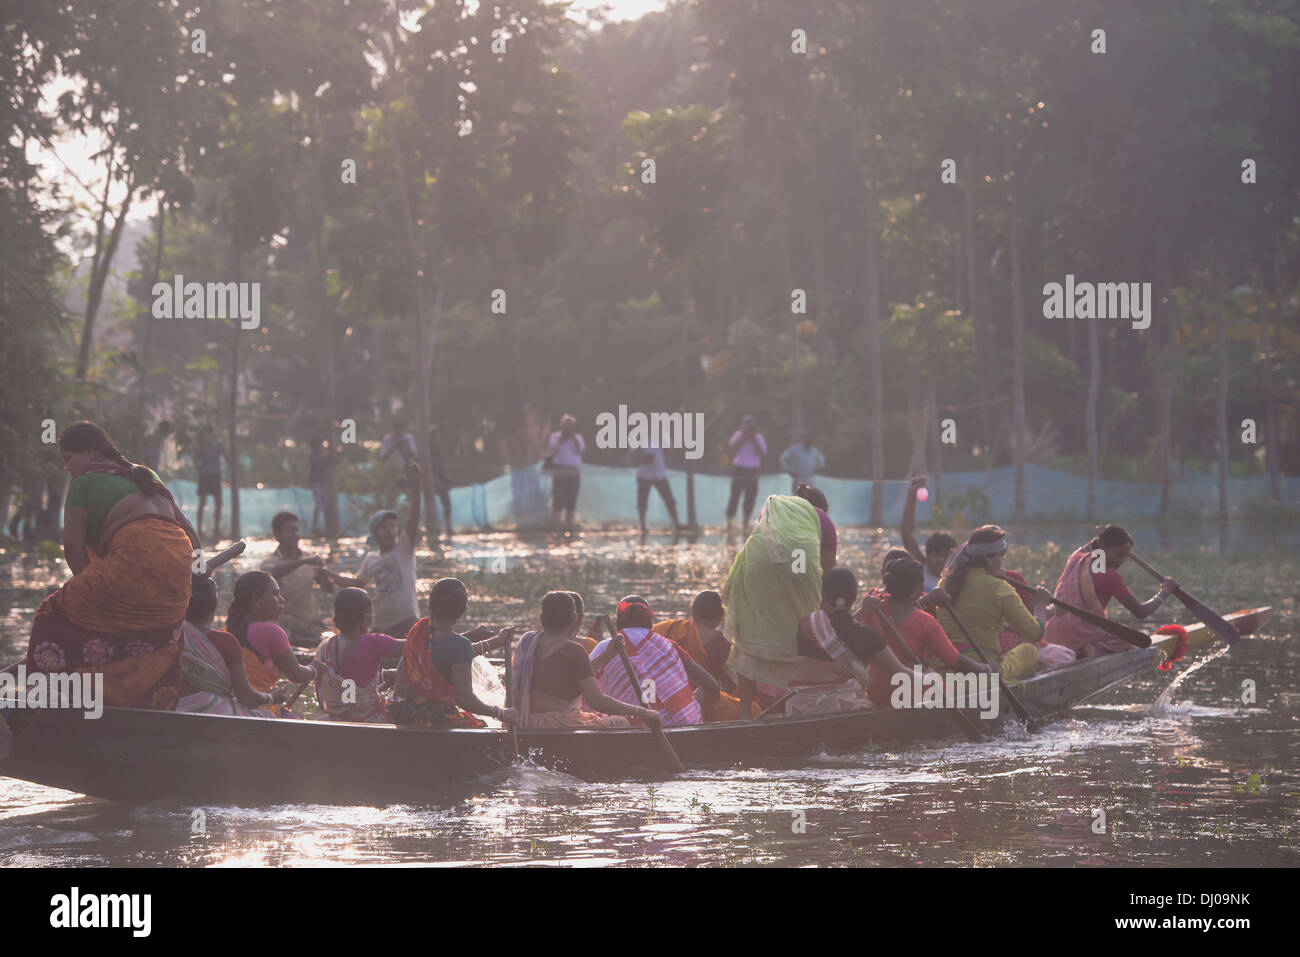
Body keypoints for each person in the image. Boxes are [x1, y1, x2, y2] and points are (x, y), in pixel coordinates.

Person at [26, 421, 200, 711]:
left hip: (134, 559)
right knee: (150, 634)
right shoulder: (147, 475)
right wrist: (196, 573)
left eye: (69, 459)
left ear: (92, 454)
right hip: (179, 570)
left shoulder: (82, 483)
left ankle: (38, 712)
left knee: (50, 614)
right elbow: (189, 531)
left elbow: (72, 548)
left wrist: (90, 591)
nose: (67, 468)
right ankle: (143, 705)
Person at [723, 493, 826, 717]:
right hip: (797, 566)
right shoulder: (816, 524)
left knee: (748, 640)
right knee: (799, 634)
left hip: (756, 567)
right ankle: (794, 706)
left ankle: (745, 713)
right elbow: (822, 578)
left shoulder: (766, 523)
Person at [508, 592, 660, 729]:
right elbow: (598, 701)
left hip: (521, 722)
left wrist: (606, 656)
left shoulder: (527, 642)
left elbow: (565, 679)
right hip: (560, 725)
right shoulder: (574, 651)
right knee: (622, 722)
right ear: (574, 619)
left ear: (541, 618)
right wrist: (642, 711)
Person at [857, 556, 992, 707]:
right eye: (922, 581)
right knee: (956, 690)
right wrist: (985, 668)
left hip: (876, 691)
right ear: (916, 590)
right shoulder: (925, 621)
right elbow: (956, 662)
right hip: (909, 693)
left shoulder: (873, 610)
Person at [932, 526, 1055, 681]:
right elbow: (1035, 633)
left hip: (942, 666)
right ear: (987, 559)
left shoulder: (944, 583)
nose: (1002, 562)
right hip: (982, 672)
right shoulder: (1000, 588)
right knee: (1029, 651)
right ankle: (1002, 675)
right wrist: (1040, 606)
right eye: (1001, 556)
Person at [390, 577, 516, 728]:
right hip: (429, 721)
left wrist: (495, 642)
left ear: (430, 606)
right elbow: (465, 700)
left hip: (401, 716)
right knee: (481, 725)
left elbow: (445, 654)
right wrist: (501, 713)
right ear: (462, 611)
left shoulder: (417, 636)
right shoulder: (459, 646)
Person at [785, 567, 910, 716]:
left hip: (798, 711)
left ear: (823, 596)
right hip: (844, 714)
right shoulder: (868, 637)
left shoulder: (805, 626)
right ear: (854, 598)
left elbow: (840, 631)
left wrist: (863, 611)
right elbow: (902, 674)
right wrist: (930, 677)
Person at [1043, 525, 1179, 657]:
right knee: (1124, 639)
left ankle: (1087, 649)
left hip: (1052, 635)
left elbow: (1088, 547)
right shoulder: (1109, 576)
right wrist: (1164, 592)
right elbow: (1141, 612)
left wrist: (1099, 538)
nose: (1122, 561)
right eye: (1119, 554)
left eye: (1125, 556)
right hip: (1080, 637)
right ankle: (1094, 649)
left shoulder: (1076, 558)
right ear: (1103, 547)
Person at [178, 576, 288, 717]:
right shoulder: (225, 641)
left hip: (176, 712)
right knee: (269, 716)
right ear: (214, 607)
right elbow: (246, 698)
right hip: (217, 717)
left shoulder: (172, 637)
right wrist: (272, 698)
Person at [589, 596, 703, 726]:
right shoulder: (669, 646)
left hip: (627, 729)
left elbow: (579, 683)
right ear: (650, 623)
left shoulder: (604, 647)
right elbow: (712, 687)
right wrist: (681, 705)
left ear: (618, 623)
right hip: (676, 725)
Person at [343, 462, 422, 639]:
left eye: (393, 527)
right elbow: (356, 585)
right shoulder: (372, 559)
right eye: (384, 528)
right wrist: (330, 576)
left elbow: (414, 516)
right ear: (375, 534)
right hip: (381, 624)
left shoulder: (404, 548)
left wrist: (417, 484)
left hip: (408, 620)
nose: (390, 531)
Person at [654, 590, 755, 721]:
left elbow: (644, 640)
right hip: (704, 704)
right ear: (720, 617)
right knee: (754, 708)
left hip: (664, 698)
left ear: (692, 612)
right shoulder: (721, 640)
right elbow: (729, 685)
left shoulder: (669, 627)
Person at [312, 588, 403, 723]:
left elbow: (349, 686)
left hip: (336, 718)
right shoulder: (373, 643)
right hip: (370, 719)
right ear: (366, 615)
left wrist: (385, 675)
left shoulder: (326, 646)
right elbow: (413, 645)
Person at [225, 571, 321, 696]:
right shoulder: (272, 633)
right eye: (275, 594)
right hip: (259, 708)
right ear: (256, 599)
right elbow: (297, 675)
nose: (282, 600)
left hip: (233, 705)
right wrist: (314, 669)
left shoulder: (229, 630)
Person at [260, 511, 338, 645]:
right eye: (289, 531)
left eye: (296, 530)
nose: (295, 535)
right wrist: (303, 562)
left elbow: (330, 589)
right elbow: (270, 574)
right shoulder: (270, 562)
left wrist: (325, 574)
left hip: (312, 624)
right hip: (285, 626)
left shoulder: (309, 559)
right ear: (277, 535)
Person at [900, 475, 956, 592]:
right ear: (927, 556)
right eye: (936, 555)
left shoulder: (957, 577)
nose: (941, 560)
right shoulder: (920, 569)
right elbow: (907, 532)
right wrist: (912, 493)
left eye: (945, 556)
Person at [725, 415, 767, 535]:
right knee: (734, 497)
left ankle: (745, 523)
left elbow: (762, 452)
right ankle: (729, 523)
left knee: (750, 498)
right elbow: (733, 447)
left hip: (752, 471)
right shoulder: (738, 435)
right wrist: (744, 436)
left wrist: (752, 438)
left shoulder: (758, 437)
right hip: (739, 470)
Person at [633, 440, 681, 542]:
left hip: (660, 474)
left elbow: (670, 450)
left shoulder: (662, 436)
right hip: (644, 475)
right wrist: (643, 458)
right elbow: (632, 455)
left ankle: (676, 524)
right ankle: (642, 525)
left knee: (670, 500)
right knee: (642, 502)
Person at [546, 414, 584, 532]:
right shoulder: (555, 437)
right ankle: (555, 527)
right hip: (560, 472)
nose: (568, 429)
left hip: (573, 473)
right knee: (558, 500)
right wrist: (562, 437)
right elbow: (553, 448)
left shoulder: (577, 438)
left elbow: (581, 450)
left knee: (571, 502)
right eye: (566, 426)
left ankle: (569, 527)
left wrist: (572, 437)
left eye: (570, 426)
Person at [425, 424, 454, 540]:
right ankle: (438, 527)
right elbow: (433, 465)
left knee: (446, 503)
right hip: (436, 479)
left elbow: (441, 466)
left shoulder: (437, 447)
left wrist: (447, 477)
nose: (437, 436)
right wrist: (436, 478)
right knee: (441, 502)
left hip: (441, 478)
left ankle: (448, 527)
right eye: (435, 434)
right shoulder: (431, 448)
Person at [194, 429, 224, 540]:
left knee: (218, 502)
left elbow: (226, 456)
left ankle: (216, 529)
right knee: (203, 502)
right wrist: (200, 468)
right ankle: (199, 530)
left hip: (215, 475)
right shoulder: (202, 446)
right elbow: (196, 460)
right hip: (205, 476)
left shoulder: (219, 445)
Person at [379, 420, 418, 502]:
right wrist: (394, 446)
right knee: (392, 495)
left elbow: (414, 455)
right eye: (397, 428)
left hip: (406, 470)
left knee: (409, 493)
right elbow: (383, 457)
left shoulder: (408, 438)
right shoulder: (387, 439)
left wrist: (405, 445)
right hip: (392, 471)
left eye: (401, 428)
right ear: (394, 429)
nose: (399, 430)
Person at [308, 436, 337, 536]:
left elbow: (328, 462)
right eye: (320, 445)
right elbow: (324, 461)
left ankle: (325, 527)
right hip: (317, 482)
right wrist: (330, 454)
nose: (322, 447)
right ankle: (315, 526)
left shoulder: (318, 455)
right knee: (320, 504)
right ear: (316, 445)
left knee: (323, 504)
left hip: (321, 482)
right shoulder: (315, 455)